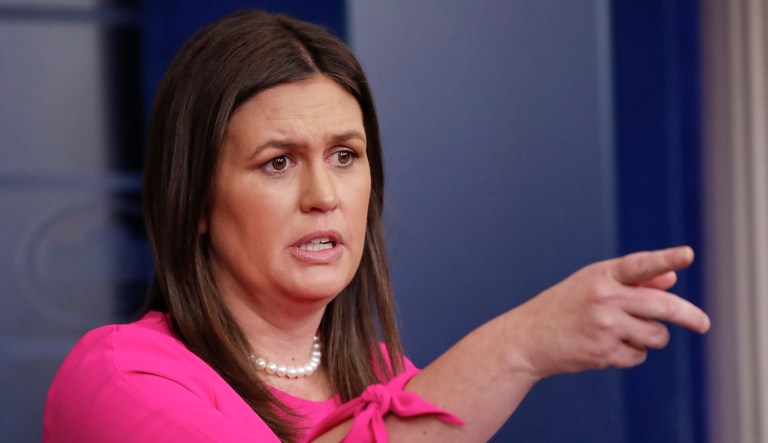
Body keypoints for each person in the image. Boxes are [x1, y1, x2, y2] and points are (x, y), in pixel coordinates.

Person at [42, 9, 710, 443]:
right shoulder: (120, 375)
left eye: (345, 156)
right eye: (278, 163)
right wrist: (519, 346)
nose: (323, 196)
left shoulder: (388, 377)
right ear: (194, 200)